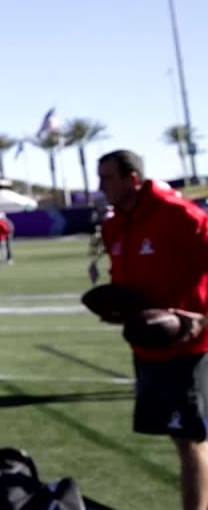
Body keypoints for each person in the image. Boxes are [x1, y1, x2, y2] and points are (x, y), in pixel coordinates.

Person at [97, 149, 208, 510]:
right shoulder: (114, 223)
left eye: (108, 178)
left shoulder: (179, 216)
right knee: (181, 438)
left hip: (190, 347)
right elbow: (125, 279)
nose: (101, 187)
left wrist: (201, 318)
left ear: (132, 179)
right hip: (148, 345)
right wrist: (117, 307)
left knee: (190, 439)